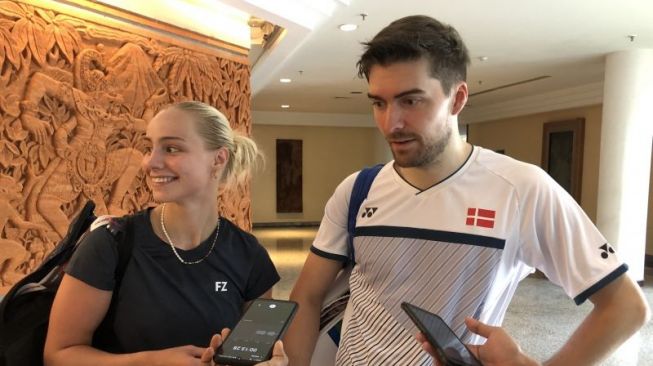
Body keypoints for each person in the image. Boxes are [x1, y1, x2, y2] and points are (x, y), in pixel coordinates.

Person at [285, 15, 650, 366]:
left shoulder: (521, 189)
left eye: (411, 101)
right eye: (379, 103)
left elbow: (625, 307)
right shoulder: (358, 190)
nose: (391, 123)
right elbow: (308, 295)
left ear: (457, 99)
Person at [44, 101, 287, 365]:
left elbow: (250, 354)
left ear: (218, 159)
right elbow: (59, 355)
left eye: (171, 148)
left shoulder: (249, 255)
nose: (150, 162)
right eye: (150, 148)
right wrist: (153, 362)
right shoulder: (111, 243)